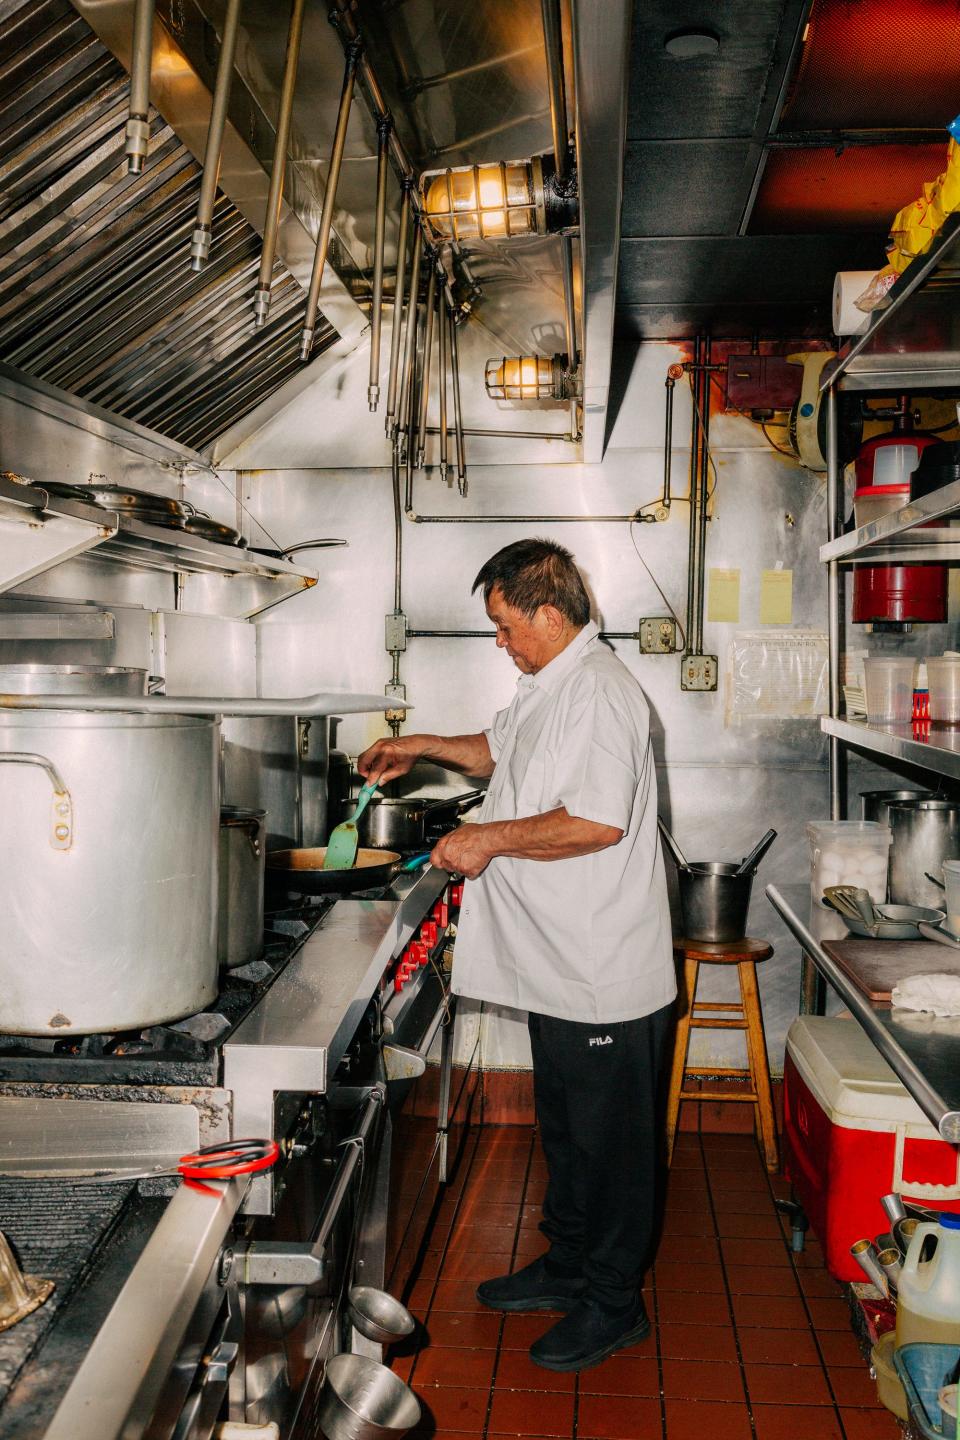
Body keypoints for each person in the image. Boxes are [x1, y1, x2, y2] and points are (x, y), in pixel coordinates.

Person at [357, 538, 675, 1373]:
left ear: (546, 613)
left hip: (602, 969)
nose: (499, 642)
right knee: (568, 1131)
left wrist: (484, 838)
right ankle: (568, 1265)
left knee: (612, 1148)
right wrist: (419, 744)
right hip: (558, 961)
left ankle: (613, 1304)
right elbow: (501, 751)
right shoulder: (549, 684)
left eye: (503, 626)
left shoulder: (603, 694)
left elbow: (595, 823)